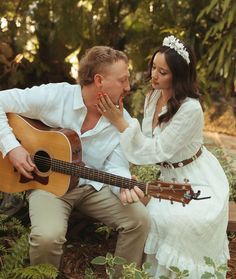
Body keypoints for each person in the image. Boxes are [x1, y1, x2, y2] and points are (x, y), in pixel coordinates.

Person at [0, 46, 150, 273]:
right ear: (99, 80)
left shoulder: (122, 120)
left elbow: (117, 165)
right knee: (46, 237)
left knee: (139, 220)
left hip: (92, 187)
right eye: (123, 80)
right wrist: (13, 148)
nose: (128, 87)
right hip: (48, 186)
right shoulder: (56, 96)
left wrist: (124, 183)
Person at [97, 36, 230, 278]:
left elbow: (157, 150)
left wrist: (119, 122)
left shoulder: (190, 109)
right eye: (153, 68)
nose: (154, 76)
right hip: (169, 176)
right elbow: (146, 140)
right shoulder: (153, 96)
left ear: (178, 76)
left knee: (175, 222)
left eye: (163, 72)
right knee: (152, 217)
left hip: (197, 178)